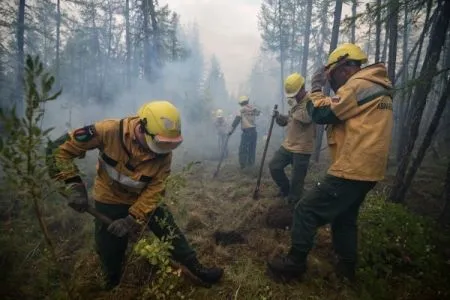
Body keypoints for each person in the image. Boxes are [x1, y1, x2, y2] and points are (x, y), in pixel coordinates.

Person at [46, 100, 223, 289]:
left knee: (170, 230)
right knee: (108, 245)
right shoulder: (108, 131)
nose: (164, 150)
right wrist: (73, 185)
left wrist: (132, 219)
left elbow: (156, 189)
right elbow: (57, 151)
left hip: (142, 198)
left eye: (170, 145)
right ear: (142, 127)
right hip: (109, 196)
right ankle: (112, 282)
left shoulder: (164, 153)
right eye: (160, 143)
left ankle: (196, 268)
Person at [267, 43, 394, 282]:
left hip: (353, 168)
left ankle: (294, 263)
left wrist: (316, 88)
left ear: (345, 66)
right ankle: (347, 269)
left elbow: (321, 114)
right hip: (368, 170)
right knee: (345, 217)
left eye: (332, 75)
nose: (332, 81)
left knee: (305, 210)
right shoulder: (377, 86)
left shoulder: (359, 85)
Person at [269, 72, 315, 205]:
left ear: (302, 88)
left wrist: (292, 111)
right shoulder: (296, 101)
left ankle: (293, 205)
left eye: (295, 93)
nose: (293, 96)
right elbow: (288, 121)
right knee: (274, 166)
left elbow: (306, 118)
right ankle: (285, 189)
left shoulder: (311, 100)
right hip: (289, 144)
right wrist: (279, 117)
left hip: (302, 148)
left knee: (297, 180)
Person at [228, 96, 261, 169]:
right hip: (254, 132)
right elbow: (258, 113)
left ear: (240, 103)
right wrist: (254, 108)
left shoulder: (241, 110)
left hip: (246, 132)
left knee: (243, 149)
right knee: (252, 149)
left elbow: (236, 121)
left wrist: (230, 131)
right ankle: (251, 165)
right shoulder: (253, 108)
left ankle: (243, 166)